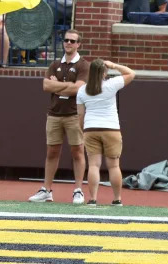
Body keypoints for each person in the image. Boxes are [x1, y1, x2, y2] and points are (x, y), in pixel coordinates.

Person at [29, 28, 89, 204]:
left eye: (72, 41)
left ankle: (78, 189)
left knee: (77, 151)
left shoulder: (83, 65)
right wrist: (66, 86)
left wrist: (59, 85)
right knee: (52, 152)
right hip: (54, 114)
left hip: (73, 114)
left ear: (78, 44)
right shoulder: (55, 64)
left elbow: (78, 88)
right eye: (66, 40)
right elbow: (46, 86)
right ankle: (46, 189)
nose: (68, 43)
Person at [76, 59, 135, 206]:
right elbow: (131, 73)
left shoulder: (82, 90)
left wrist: (84, 130)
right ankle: (117, 199)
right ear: (104, 72)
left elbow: (80, 116)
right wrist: (114, 65)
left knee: (94, 165)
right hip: (111, 129)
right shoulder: (111, 84)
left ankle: (93, 199)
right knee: (114, 166)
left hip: (91, 129)